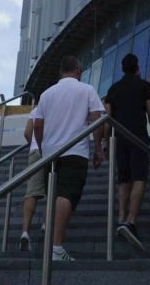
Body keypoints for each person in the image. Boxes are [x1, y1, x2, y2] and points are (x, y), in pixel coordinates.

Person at [34, 55, 104, 262]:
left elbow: (37, 124)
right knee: (67, 194)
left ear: (60, 71)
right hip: (75, 151)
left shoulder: (46, 94)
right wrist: (98, 147)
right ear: (78, 70)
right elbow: (96, 118)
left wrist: (41, 147)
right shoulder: (87, 90)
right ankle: (56, 247)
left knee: (53, 195)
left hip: (50, 152)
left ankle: (50, 235)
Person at [104, 53, 150, 251]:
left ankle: (120, 218)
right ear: (137, 68)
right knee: (139, 178)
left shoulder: (113, 89)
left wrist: (105, 142)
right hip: (139, 138)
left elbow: (107, 117)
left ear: (122, 68)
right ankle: (131, 219)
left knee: (123, 178)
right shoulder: (144, 86)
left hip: (119, 138)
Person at [19, 105, 46, 252]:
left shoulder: (35, 109)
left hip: (35, 151)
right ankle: (45, 223)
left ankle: (25, 231)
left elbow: (27, 132)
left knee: (31, 192)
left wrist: (33, 145)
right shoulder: (56, 104)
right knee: (52, 189)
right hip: (51, 149)